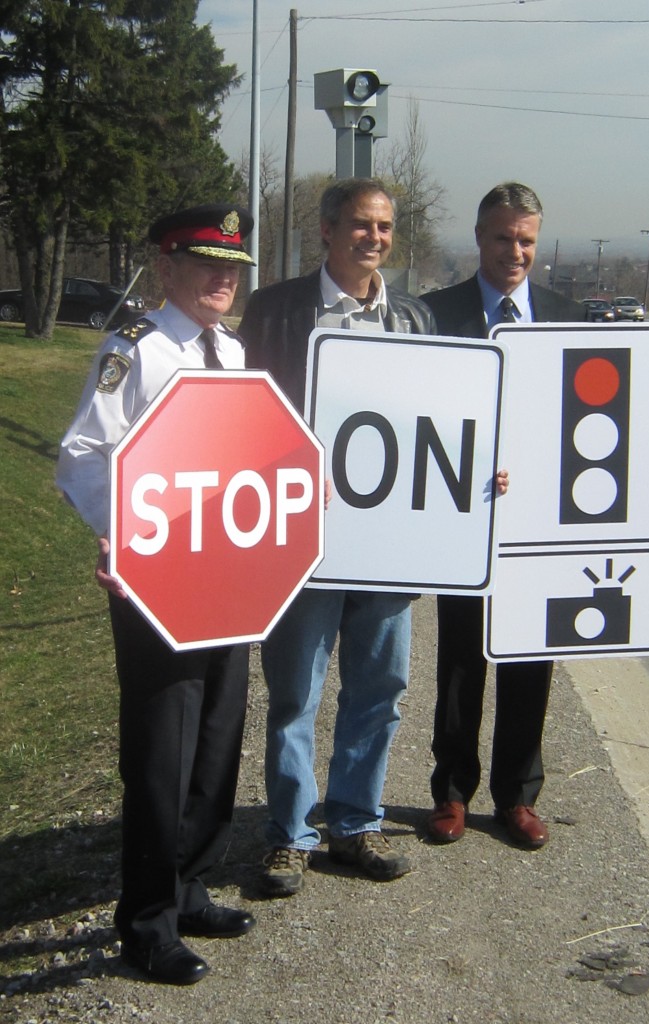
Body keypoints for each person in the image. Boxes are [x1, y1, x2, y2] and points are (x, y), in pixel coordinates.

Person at [56, 204, 257, 985]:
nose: (222, 278)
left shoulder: (234, 353)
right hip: (156, 585)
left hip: (229, 581)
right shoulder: (133, 350)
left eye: (232, 267)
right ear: (165, 267)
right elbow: (82, 456)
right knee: (161, 752)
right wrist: (123, 535)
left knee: (217, 735)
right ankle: (145, 923)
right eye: (205, 263)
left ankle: (191, 886)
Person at [238, 178, 436, 897]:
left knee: (380, 691)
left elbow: (441, 420)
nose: (374, 238)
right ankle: (290, 834)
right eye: (360, 224)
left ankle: (355, 823)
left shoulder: (414, 317)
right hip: (303, 542)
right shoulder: (275, 310)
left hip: (388, 546)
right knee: (295, 693)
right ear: (326, 229)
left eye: (384, 227)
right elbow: (243, 409)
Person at [422, 182, 588, 850]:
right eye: (502, 237)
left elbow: (612, 413)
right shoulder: (435, 315)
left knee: (531, 657)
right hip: (466, 519)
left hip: (543, 528)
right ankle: (452, 791)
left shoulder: (570, 318)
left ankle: (517, 797)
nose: (514, 251)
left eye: (526, 240)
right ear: (479, 238)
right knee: (461, 661)